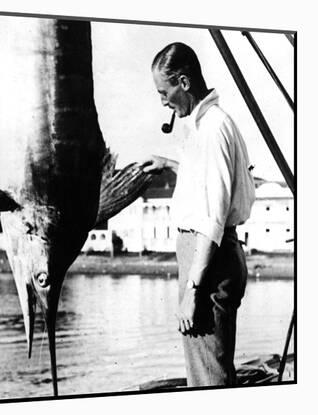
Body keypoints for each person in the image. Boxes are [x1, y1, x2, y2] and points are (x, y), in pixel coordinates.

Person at [141, 42, 256, 387]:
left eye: (164, 91)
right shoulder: (208, 125)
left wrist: (193, 289)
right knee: (208, 368)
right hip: (210, 258)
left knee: (208, 379)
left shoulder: (213, 128)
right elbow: (209, 181)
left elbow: (213, 217)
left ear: (184, 83)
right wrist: (171, 165)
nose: (162, 101)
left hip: (208, 261)